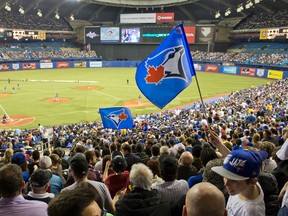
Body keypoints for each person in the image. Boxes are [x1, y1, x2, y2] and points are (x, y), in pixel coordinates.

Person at [211, 150, 265, 216]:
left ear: (252, 182)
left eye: (234, 180)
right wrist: (219, 145)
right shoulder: (245, 185)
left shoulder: (252, 212)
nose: (226, 184)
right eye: (225, 176)